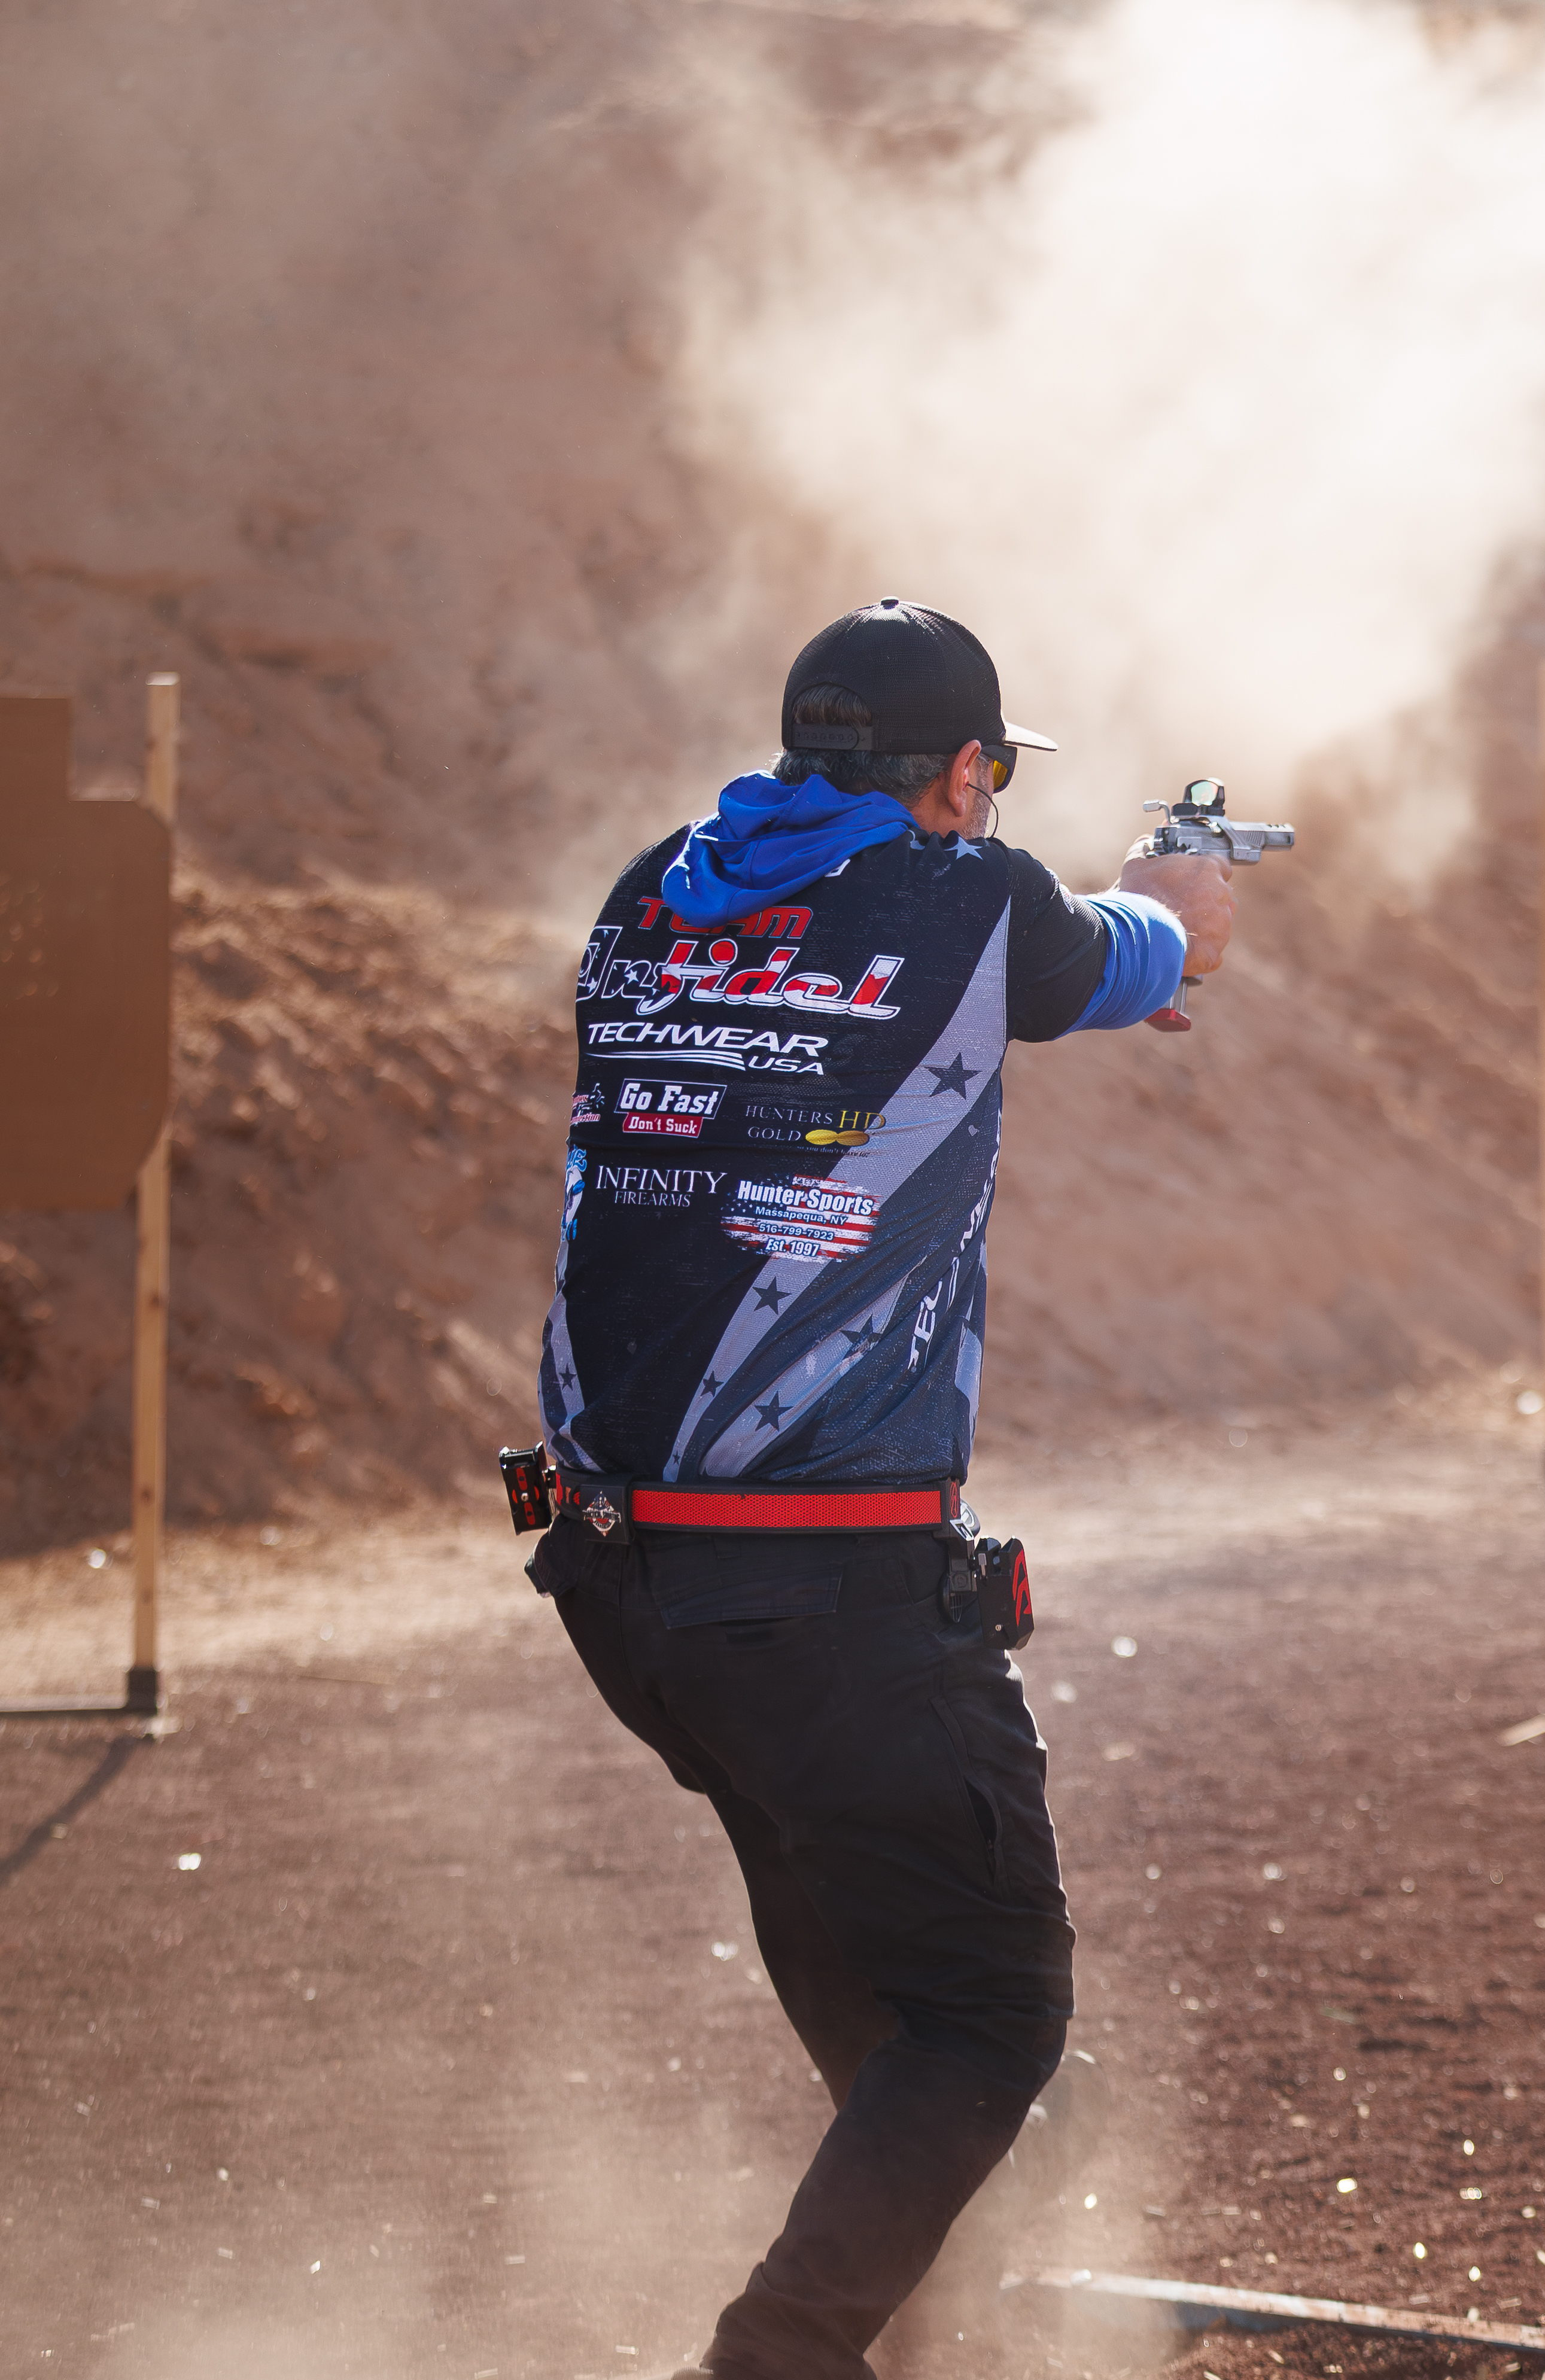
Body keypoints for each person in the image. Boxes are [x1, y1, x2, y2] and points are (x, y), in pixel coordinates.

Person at [520, 599, 1236, 2379]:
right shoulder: (978, 903)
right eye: (988, 782)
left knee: (876, 1987)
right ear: (968, 774)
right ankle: (779, 2357)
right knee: (990, 2011)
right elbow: (1149, 953)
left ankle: (943, 2329)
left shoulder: (641, 895)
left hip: (617, 1577)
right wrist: (1184, 901)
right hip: (816, 1585)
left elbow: (862, 988)